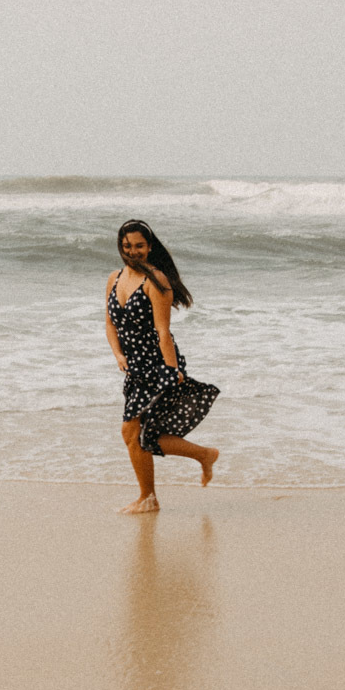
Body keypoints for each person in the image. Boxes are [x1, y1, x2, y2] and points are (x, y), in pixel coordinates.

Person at [106, 219, 220, 514]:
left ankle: (148, 497)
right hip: (134, 369)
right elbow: (110, 324)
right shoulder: (114, 278)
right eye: (127, 246)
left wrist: (171, 371)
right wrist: (118, 355)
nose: (133, 252)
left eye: (139, 246)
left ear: (150, 246)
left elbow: (163, 332)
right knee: (143, 436)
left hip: (158, 366)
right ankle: (203, 456)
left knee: (132, 432)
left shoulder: (156, 282)